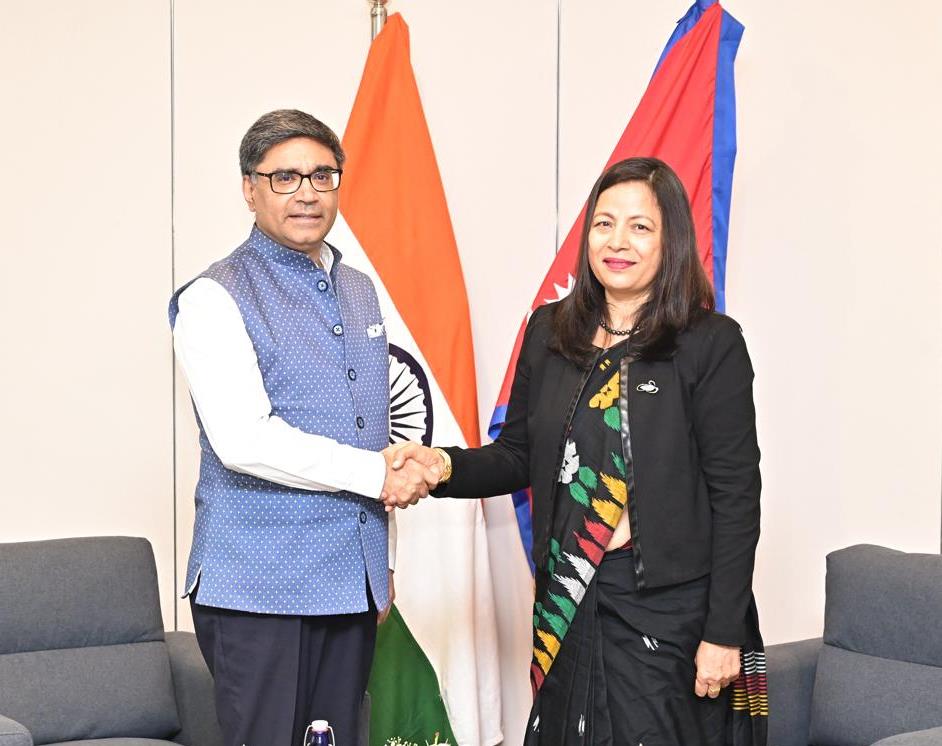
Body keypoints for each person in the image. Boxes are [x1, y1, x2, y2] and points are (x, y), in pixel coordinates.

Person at [390, 157, 766, 745]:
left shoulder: (708, 344)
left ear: (671, 239)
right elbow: (518, 454)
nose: (618, 242)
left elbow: (737, 497)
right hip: (567, 596)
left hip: (666, 612)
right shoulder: (550, 330)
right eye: (604, 224)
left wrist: (722, 634)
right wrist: (442, 465)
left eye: (640, 227)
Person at [169, 109, 439, 746]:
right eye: (284, 178)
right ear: (249, 188)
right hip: (257, 587)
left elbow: (370, 427)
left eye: (322, 176)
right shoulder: (214, 296)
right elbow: (244, 440)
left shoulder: (359, 288)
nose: (307, 193)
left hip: (350, 582)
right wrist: (377, 475)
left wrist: (381, 562)